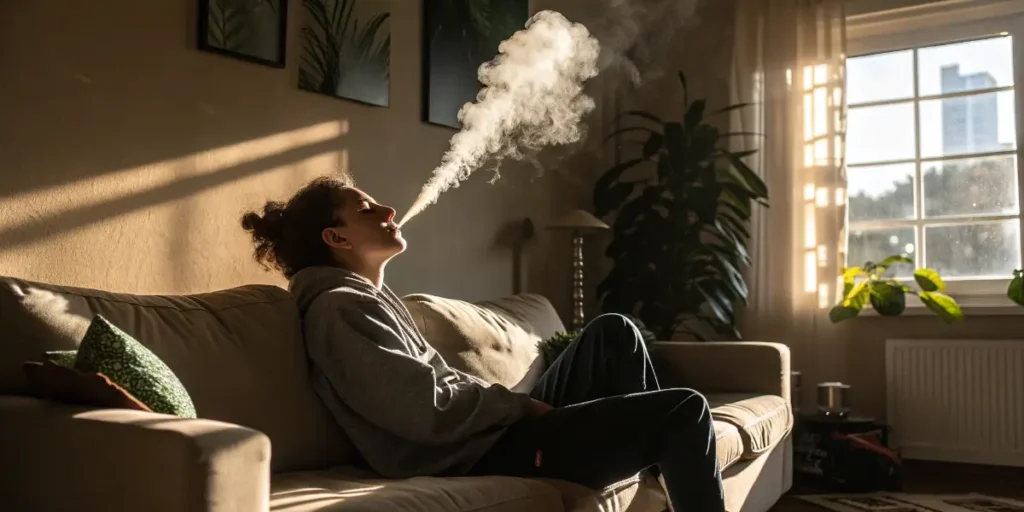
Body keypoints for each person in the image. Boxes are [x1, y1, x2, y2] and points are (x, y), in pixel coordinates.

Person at [241, 175, 724, 511]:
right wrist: (517, 408)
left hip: (495, 436)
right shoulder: (339, 308)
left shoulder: (367, 299)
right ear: (336, 238)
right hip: (478, 456)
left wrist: (516, 408)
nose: (388, 210)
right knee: (685, 410)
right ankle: (667, 460)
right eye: (366, 209)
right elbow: (418, 408)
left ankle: (663, 476)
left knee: (613, 331)